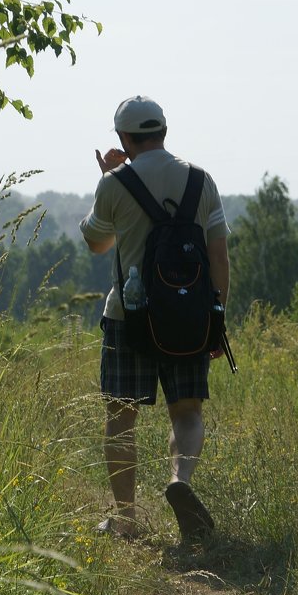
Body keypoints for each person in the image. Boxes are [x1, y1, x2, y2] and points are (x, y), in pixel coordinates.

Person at [80, 95, 230, 542]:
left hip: (128, 318)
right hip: (189, 318)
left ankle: (125, 519)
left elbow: (98, 244)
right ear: (164, 131)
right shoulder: (202, 181)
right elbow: (219, 255)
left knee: (122, 415)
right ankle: (180, 480)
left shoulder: (114, 183)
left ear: (124, 139)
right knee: (186, 412)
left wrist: (110, 178)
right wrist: (216, 317)